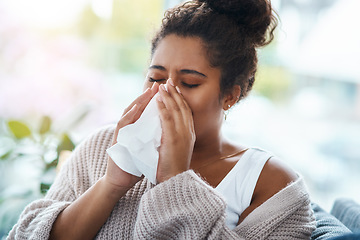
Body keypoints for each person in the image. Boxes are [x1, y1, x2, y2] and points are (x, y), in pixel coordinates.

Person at [7, 0, 316, 239]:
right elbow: (28, 233)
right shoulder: (103, 146)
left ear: (230, 96)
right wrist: (111, 184)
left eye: (190, 83)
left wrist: (175, 181)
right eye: (155, 77)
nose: (165, 95)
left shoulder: (273, 184)